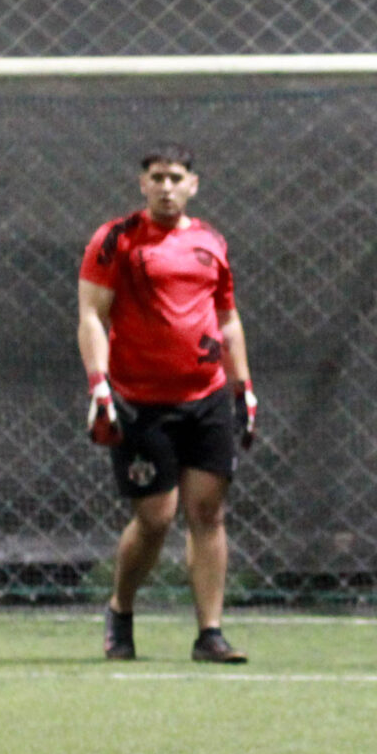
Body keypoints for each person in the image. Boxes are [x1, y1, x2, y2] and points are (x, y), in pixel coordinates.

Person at [77, 143, 257, 664]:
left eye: (176, 177)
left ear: (192, 184)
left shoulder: (211, 242)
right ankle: (121, 609)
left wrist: (243, 387)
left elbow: (227, 320)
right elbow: (92, 315)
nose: (166, 187)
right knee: (156, 518)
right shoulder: (116, 239)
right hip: (140, 402)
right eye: (156, 177)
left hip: (205, 397)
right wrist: (99, 385)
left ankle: (210, 634)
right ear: (143, 184)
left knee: (208, 513)